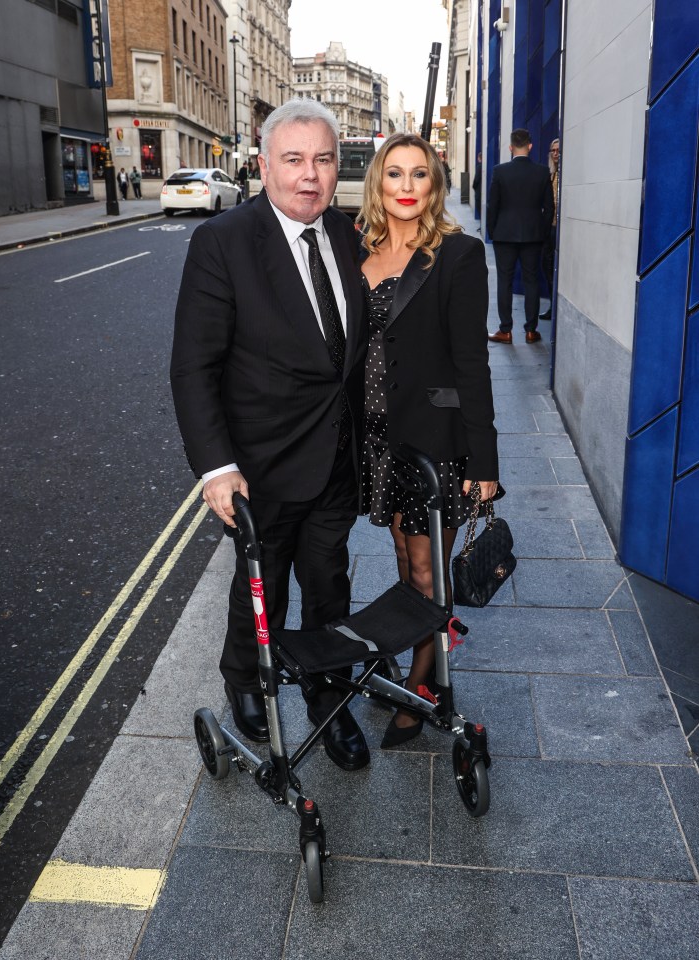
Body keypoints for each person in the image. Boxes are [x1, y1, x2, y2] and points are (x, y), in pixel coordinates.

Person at [170, 99, 370, 771]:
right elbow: (193, 366)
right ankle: (247, 679)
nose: (308, 176)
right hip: (260, 467)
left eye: (321, 160)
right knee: (263, 583)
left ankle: (327, 694)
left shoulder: (344, 234)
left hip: (337, 458)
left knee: (330, 584)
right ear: (263, 165)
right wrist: (216, 468)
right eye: (292, 160)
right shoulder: (223, 242)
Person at [357, 132, 499, 748]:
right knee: (403, 562)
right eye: (395, 175)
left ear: (435, 186)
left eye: (420, 175)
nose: (407, 187)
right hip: (378, 437)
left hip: (434, 441)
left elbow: (473, 363)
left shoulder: (458, 256)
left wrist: (484, 460)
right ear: (378, 184)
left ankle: (425, 685)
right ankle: (423, 661)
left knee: (425, 570)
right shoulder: (358, 251)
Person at [486, 128, 554, 344]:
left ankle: (505, 330)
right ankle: (531, 331)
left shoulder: (500, 171)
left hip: (504, 235)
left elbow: (493, 205)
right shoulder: (542, 172)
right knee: (531, 281)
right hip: (533, 236)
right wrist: (541, 231)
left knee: (504, 281)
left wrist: (492, 231)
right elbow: (549, 208)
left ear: (510, 147)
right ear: (530, 146)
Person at [539, 138, 560, 320]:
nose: (555, 154)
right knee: (547, 268)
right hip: (550, 229)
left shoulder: (564, 177)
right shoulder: (550, 176)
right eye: (552, 150)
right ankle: (553, 306)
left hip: (561, 230)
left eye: (558, 150)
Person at [472, 152, 482, 223]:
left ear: (479, 158)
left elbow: (476, 179)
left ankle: (482, 223)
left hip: (479, 191)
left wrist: (474, 186)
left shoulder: (479, 167)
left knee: (479, 207)